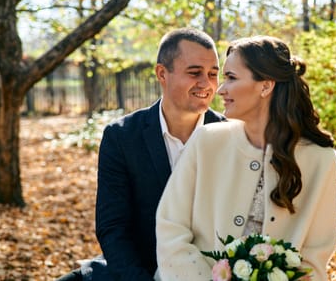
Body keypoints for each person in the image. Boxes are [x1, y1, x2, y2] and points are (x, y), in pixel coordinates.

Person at [155, 35, 336, 281]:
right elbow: (171, 229)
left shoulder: (321, 160)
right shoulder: (205, 141)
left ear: (265, 86)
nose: (219, 89)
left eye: (231, 77)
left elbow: (314, 258)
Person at [57, 27, 225, 281]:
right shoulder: (122, 136)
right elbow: (113, 228)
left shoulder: (231, 136)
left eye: (213, 74)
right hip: (136, 271)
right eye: (194, 72)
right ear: (162, 73)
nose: (207, 83)